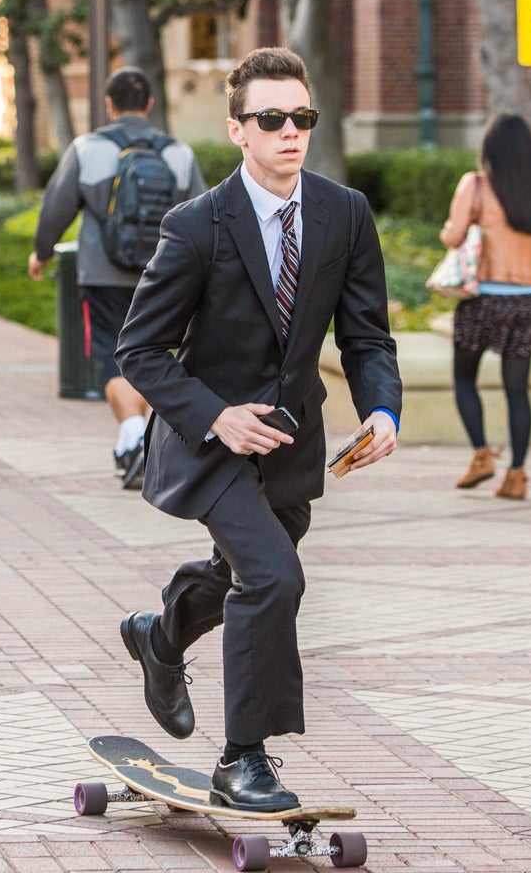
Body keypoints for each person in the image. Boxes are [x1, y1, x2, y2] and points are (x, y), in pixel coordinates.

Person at [114, 47, 401, 812]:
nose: (290, 132)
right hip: (212, 445)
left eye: (301, 117)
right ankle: (243, 759)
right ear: (237, 130)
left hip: (293, 446)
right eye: (271, 119)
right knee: (274, 577)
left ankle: (160, 634)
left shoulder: (345, 213)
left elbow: (366, 336)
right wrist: (217, 415)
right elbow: (139, 350)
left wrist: (383, 409)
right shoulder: (196, 226)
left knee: (248, 574)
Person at [31, 68, 207, 489]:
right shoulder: (178, 154)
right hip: (162, 278)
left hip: (102, 274)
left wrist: (41, 253)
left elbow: (56, 206)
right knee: (158, 356)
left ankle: (131, 437)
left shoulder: (88, 148)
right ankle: (150, 438)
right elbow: (204, 218)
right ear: (148, 104)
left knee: (111, 356)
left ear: (109, 104)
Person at [442, 113, 531, 501]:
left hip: (481, 301)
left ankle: (480, 455)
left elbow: (454, 236)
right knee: (517, 392)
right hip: (525, 301)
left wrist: (453, 230)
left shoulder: (476, 185)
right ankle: (517, 475)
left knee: (463, 380)